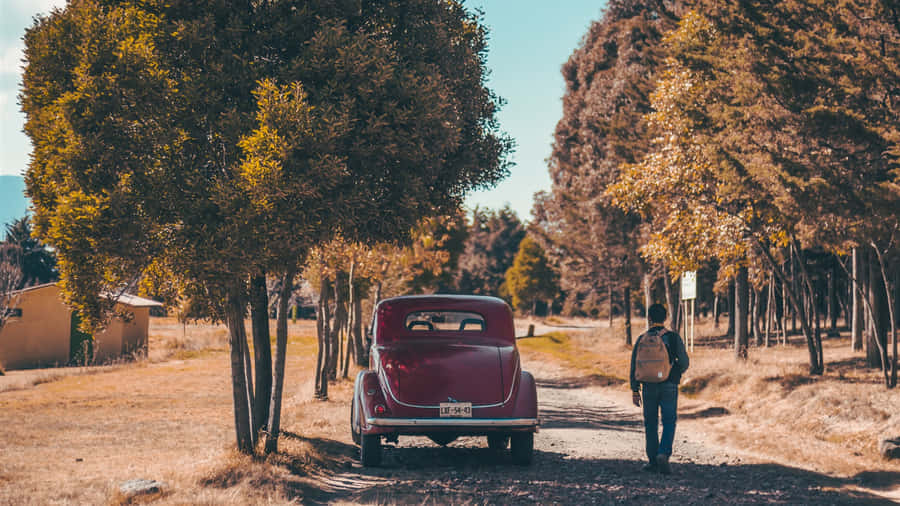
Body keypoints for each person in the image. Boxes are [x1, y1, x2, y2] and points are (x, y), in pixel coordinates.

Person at [629, 303, 690, 474]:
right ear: (665, 318)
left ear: (649, 318)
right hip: (669, 385)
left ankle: (652, 461)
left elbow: (634, 365)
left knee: (650, 422)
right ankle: (663, 453)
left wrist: (635, 390)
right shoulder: (672, 338)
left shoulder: (642, 338)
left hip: (648, 386)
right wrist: (674, 373)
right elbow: (684, 362)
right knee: (669, 420)